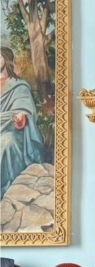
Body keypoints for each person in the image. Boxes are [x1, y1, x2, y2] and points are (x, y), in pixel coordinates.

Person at [0, 47, 43, 199]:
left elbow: (25, 109)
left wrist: (21, 115)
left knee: (7, 142)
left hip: (11, 131)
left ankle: (4, 192)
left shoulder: (19, 85)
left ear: (6, 60)